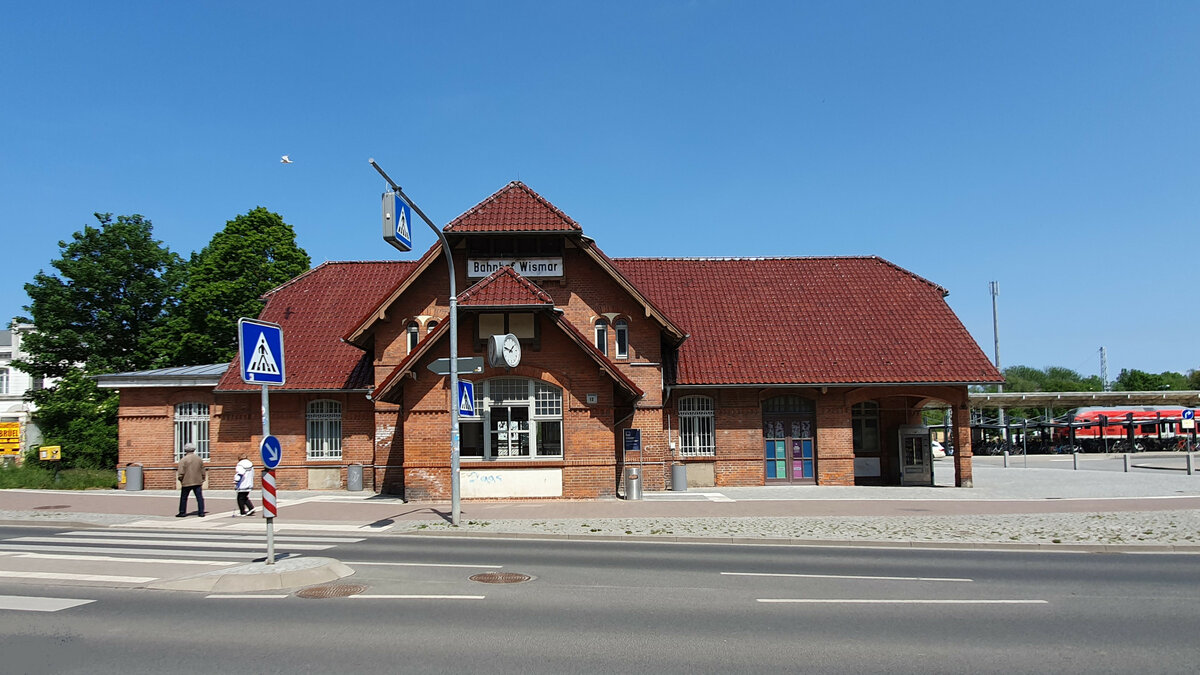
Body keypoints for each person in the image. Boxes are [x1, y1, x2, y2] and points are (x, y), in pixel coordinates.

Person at [176, 443, 206, 517]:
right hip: (197, 481)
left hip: (186, 481)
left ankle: (182, 512)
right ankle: (201, 512)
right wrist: (203, 478)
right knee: (199, 498)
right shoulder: (199, 459)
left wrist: (180, 478)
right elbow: (203, 470)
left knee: (184, 498)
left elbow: (181, 471)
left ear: (185, 450)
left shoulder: (183, 459)